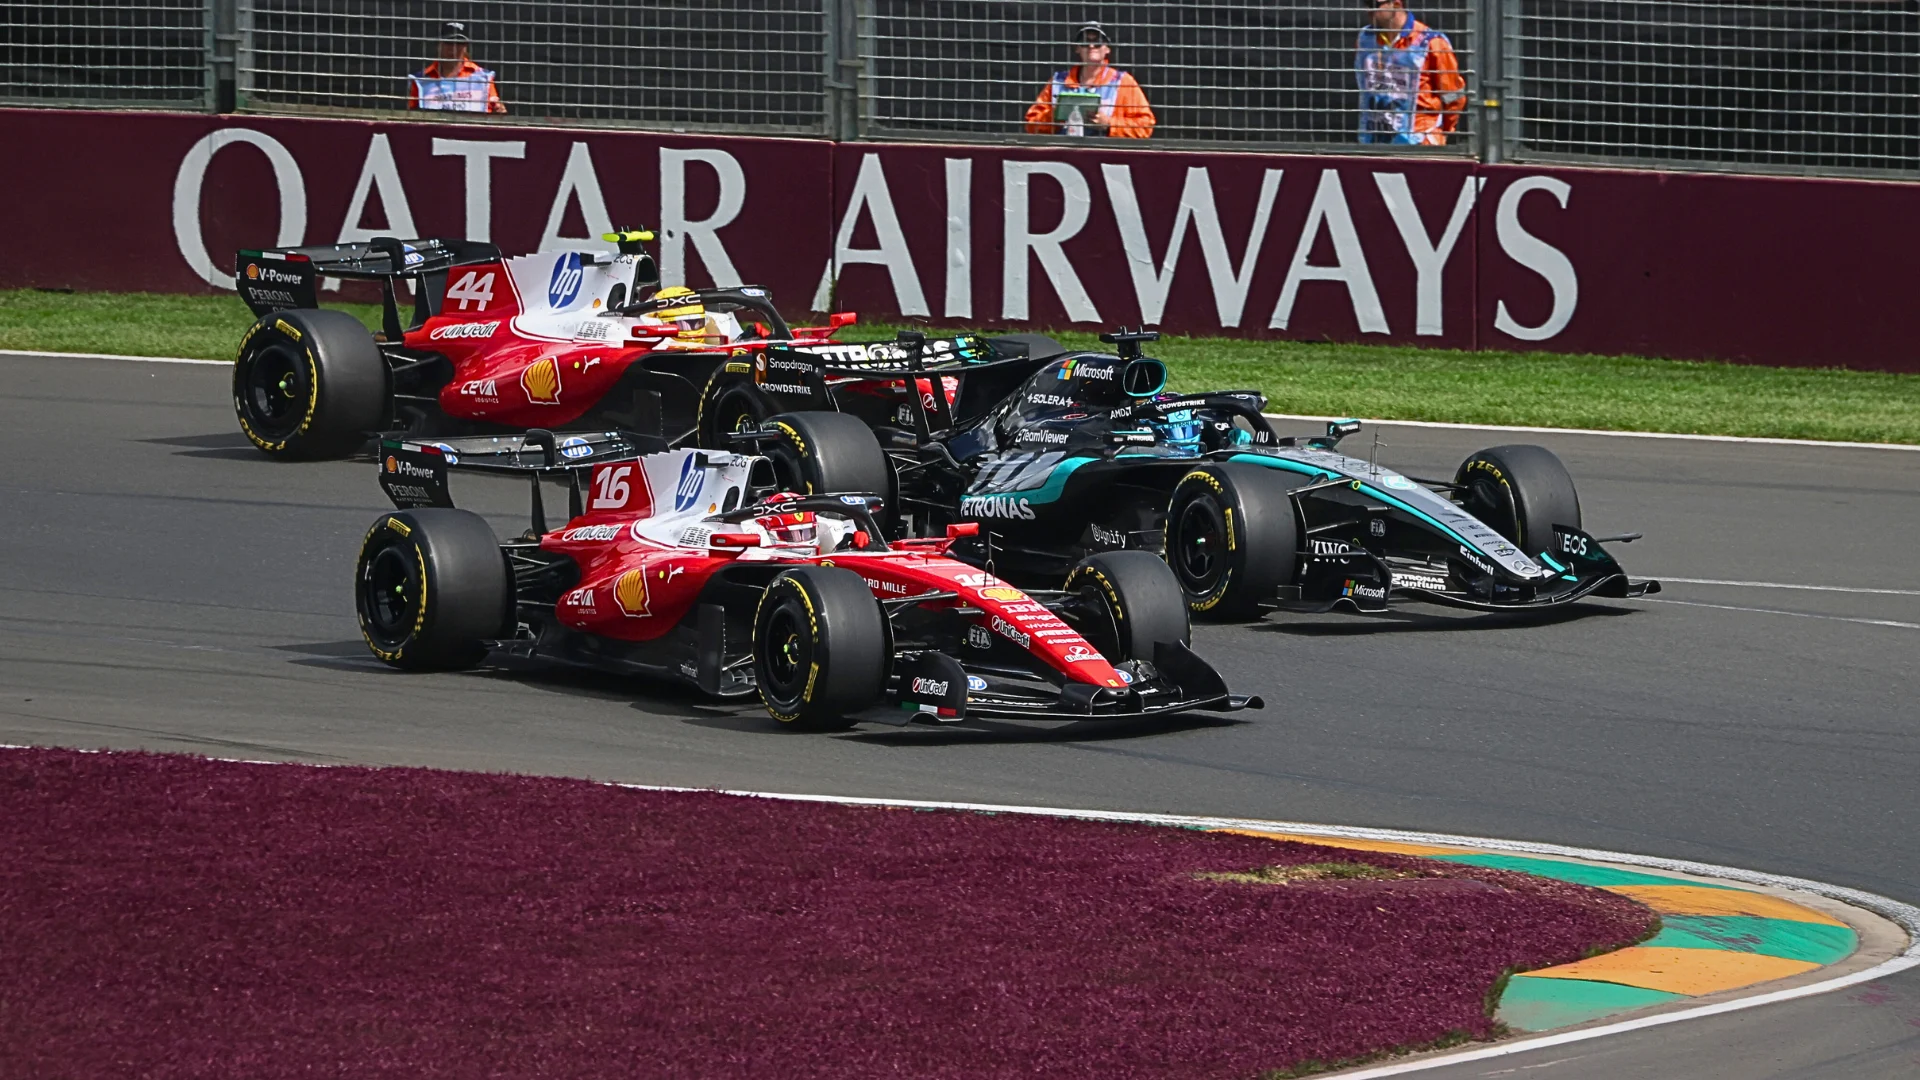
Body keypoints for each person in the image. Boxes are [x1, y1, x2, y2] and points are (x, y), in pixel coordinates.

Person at [1355, 1, 1463, 145]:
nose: (1368, 9)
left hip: (1420, 141)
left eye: (1374, 3)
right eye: (1365, 3)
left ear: (1396, 4)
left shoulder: (1431, 42)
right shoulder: (1365, 39)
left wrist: (1445, 131)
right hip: (1376, 139)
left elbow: (1453, 96)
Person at [1024, 22, 1155, 139]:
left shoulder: (1123, 82)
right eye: (1085, 42)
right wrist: (1054, 116)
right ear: (1077, 48)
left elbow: (1145, 127)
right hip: (1063, 152)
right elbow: (1031, 125)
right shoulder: (1058, 81)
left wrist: (1109, 124)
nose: (1091, 46)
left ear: (1107, 49)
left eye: (1098, 42)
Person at [408, 22, 506, 114]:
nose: (454, 48)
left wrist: (499, 111)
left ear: (466, 46)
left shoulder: (484, 78)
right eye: (449, 42)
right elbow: (412, 117)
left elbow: (494, 110)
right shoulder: (420, 80)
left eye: (459, 43)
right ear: (439, 44)